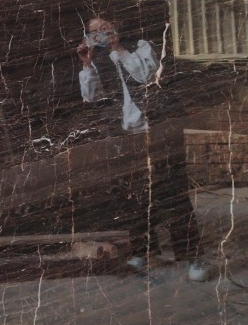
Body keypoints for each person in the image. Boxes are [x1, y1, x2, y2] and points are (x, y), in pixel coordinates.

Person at [76, 17, 209, 282]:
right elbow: (91, 97)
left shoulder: (141, 46)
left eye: (104, 28)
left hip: (160, 133)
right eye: (94, 32)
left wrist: (119, 49)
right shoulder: (99, 60)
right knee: (134, 198)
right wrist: (87, 64)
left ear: (115, 26)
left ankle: (192, 256)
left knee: (173, 197)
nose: (101, 34)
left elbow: (146, 76)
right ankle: (143, 251)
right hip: (128, 138)